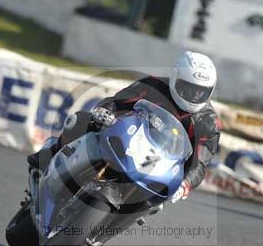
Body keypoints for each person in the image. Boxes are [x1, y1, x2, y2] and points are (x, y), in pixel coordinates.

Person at [27, 50, 221, 207]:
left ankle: (118, 219)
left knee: (159, 199)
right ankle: (51, 154)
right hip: (128, 137)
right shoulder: (154, 85)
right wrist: (105, 111)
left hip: (159, 164)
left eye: (201, 92)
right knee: (80, 121)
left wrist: (185, 184)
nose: (194, 96)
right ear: (175, 78)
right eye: (189, 88)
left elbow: (200, 162)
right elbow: (117, 101)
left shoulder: (209, 121)